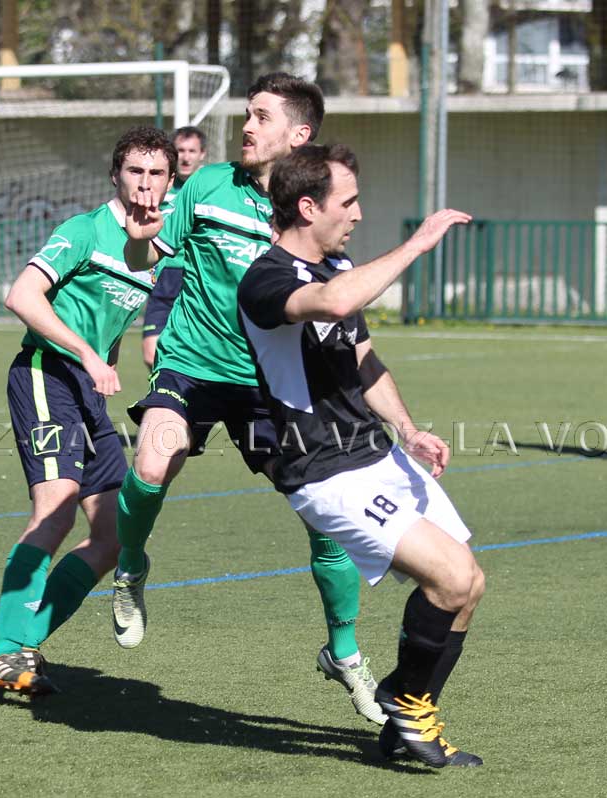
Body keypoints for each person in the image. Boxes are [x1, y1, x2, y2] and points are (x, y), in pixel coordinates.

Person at [112, 73, 385, 726]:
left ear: (299, 133)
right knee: (151, 465)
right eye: (247, 114)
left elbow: (335, 299)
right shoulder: (207, 186)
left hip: (270, 387)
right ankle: (130, 568)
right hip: (192, 367)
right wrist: (141, 238)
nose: (247, 126)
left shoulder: (309, 208)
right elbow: (148, 259)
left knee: (327, 518)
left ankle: (344, 653)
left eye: (261, 116)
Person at [237, 143, 485, 768]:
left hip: (375, 453)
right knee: (450, 577)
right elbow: (336, 302)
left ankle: (408, 712)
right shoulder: (265, 279)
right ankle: (405, 704)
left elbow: (363, 358)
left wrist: (407, 428)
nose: (358, 213)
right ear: (307, 207)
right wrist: (417, 245)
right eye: (347, 202)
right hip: (323, 471)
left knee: (468, 585)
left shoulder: (337, 265)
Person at [0, 126, 176, 694]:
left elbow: (120, 312)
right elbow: (21, 295)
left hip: (88, 393)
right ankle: (4, 651)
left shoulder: (158, 245)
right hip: (46, 374)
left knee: (113, 537)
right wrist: (87, 353)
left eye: (156, 173)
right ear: (115, 176)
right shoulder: (84, 231)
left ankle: (22, 643)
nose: (145, 184)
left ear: (169, 181)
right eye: (135, 171)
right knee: (56, 510)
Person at [142, 125, 207, 369]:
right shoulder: (159, 187)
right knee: (151, 354)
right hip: (163, 274)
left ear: (202, 154)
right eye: (180, 150)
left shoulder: (208, 190)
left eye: (192, 151)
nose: (186, 157)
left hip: (196, 275)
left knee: (196, 352)